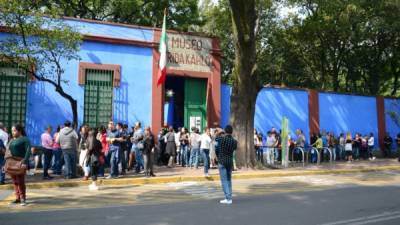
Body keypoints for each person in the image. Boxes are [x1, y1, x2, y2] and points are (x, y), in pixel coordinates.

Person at [7, 124, 31, 206]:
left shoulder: (25, 139)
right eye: (12, 130)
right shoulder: (12, 140)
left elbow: (28, 151)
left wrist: (24, 162)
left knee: (21, 181)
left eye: (14, 130)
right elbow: (8, 152)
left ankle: (23, 198)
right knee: (15, 182)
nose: (12, 132)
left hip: (20, 162)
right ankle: (17, 198)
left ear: (19, 131)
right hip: (12, 162)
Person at [215, 125, 237, 204]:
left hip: (222, 161)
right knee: (228, 180)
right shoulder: (234, 141)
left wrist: (220, 132)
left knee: (224, 180)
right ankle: (229, 197)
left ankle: (228, 198)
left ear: (225, 131)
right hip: (230, 162)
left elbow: (215, 138)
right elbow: (234, 148)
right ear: (232, 131)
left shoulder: (222, 139)